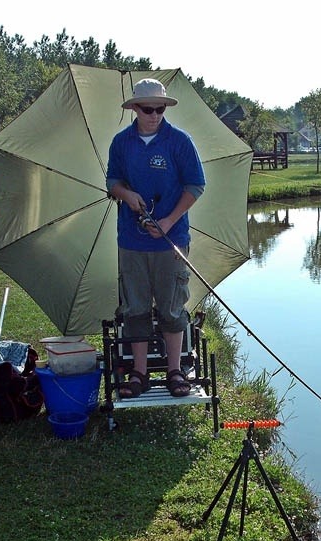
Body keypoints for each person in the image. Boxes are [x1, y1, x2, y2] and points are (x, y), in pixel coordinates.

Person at [106, 78, 205, 398]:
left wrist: (168, 219)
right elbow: (112, 182)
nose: (154, 115)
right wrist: (127, 194)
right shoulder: (121, 143)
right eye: (147, 109)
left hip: (171, 241)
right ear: (134, 108)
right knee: (135, 308)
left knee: (172, 308)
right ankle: (139, 373)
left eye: (160, 109)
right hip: (131, 243)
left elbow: (195, 186)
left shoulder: (180, 141)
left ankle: (176, 370)